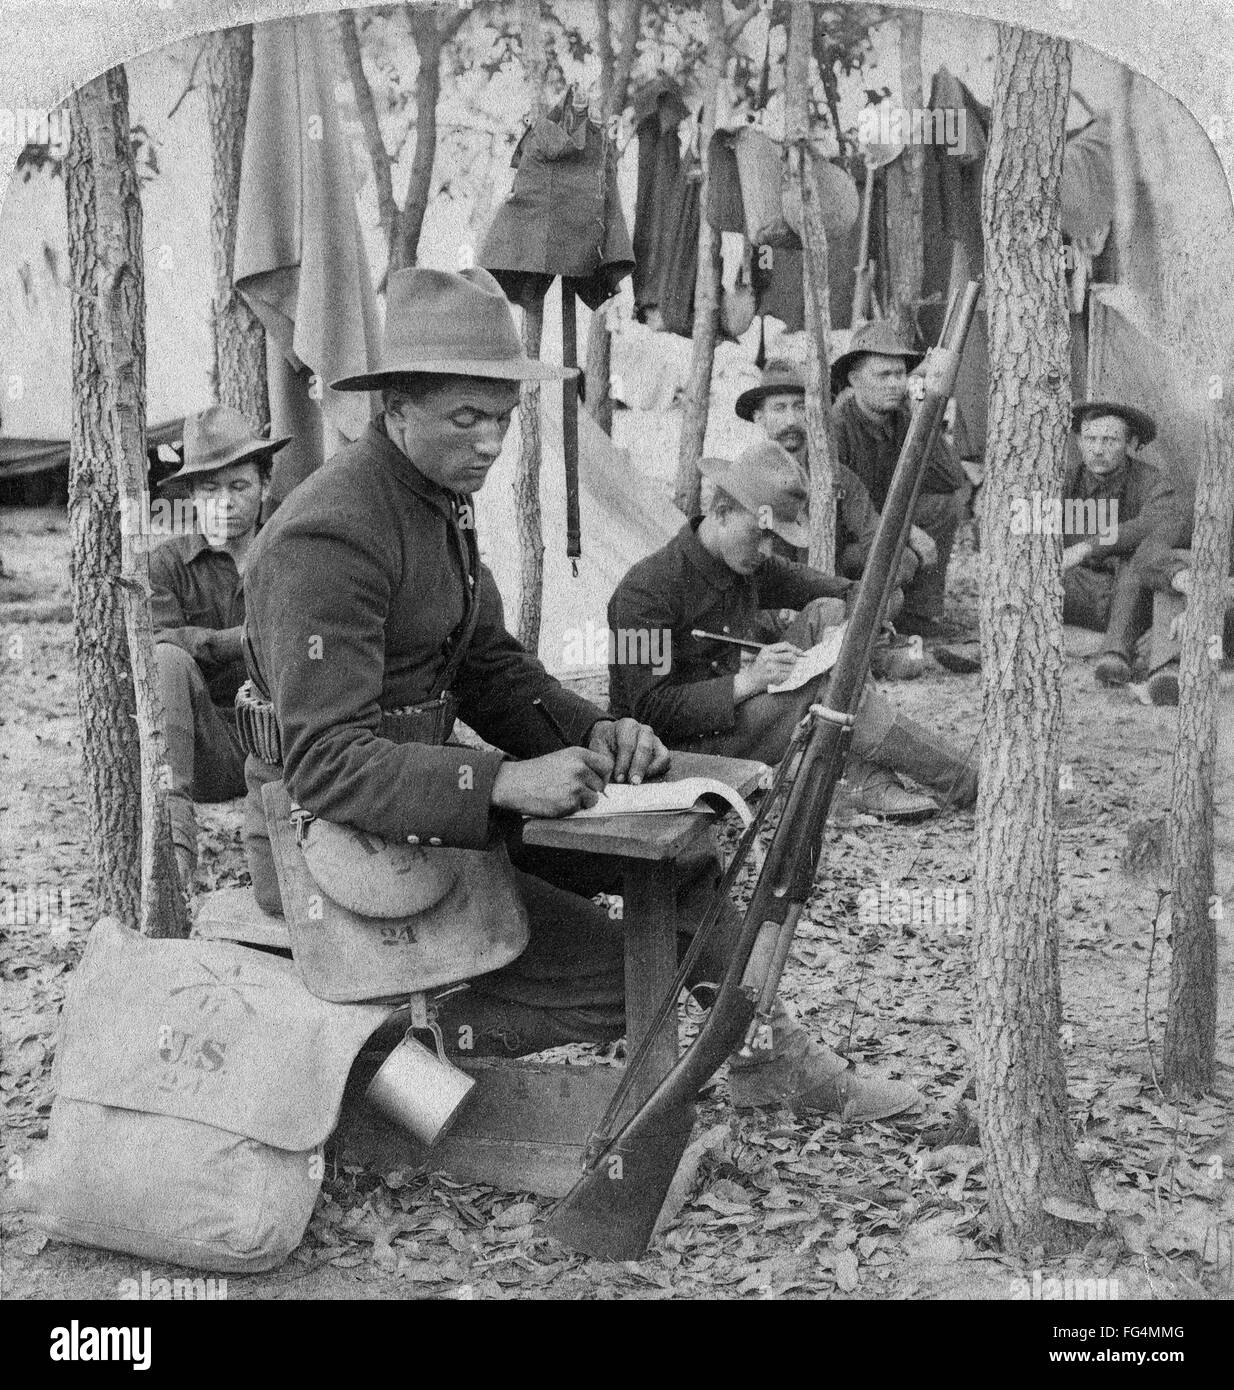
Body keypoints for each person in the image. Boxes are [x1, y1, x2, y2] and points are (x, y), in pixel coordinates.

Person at [239, 266, 918, 1122]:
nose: (491, 442)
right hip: (331, 839)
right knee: (631, 977)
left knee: (683, 867)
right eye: (466, 418)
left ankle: (769, 1060)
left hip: (416, 811)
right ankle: (387, 1067)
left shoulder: (430, 499)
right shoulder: (331, 534)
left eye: (502, 418)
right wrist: (501, 782)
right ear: (396, 407)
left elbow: (487, 666)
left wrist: (596, 731)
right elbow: (325, 764)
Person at [607, 440, 978, 821]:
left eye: (775, 538)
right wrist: (750, 681)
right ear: (722, 513)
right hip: (669, 757)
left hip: (730, 726)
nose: (767, 550)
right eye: (761, 534)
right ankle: (972, 783)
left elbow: (848, 593)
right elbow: (649, 711)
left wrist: (863, 623)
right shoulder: (647, 590)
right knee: (824, 691)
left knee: (828, 614)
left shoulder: (744, 563)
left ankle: (861, 779)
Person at [149, 406, 289, 890]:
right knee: (165, 659)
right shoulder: (166, 564)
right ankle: (174, 848)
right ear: (191, 495)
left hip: (285, 742)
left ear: (265, 486)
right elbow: (160, 642)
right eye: (210, 489)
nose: (224, 502)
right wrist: (242, 640)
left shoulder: (291, 551)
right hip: (207, 746)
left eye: (239, 486)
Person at [736, 357, 922, 678]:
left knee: (892, 584)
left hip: (830, 597)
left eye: (800, 407)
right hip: (769, 607)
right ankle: (854, 654)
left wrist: (858, 584)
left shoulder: (836, 476)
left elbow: (877, 539)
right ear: (759, 417)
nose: (791, 419)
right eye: (779, 408)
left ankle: (848, 648)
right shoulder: (742, 478)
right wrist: (777, 604)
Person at [830, 324, 972, 636]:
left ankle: (919, 615)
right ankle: (862, 621)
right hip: (849, 539)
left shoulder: (902, 417)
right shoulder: (838, 427)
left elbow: (951, 478)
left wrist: (924, 412)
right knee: (903, 558)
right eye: (883, 375)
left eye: (900, 374)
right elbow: (843, 515)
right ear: (854, 380)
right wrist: (906, 531)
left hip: (885, 522)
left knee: (943, 506)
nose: (895, 384)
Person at [1061, 401, 1188, 687]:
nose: (1098, 449)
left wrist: (1086, 548)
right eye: (1090, 439)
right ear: (1079, 441)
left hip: (1129, 595)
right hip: (1077, 590)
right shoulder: (1065, 482)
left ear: (1130, 443)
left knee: (1136, 559)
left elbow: (1151, 525)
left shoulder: (1152, 482)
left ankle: (1115, 656)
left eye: (1110, 440)